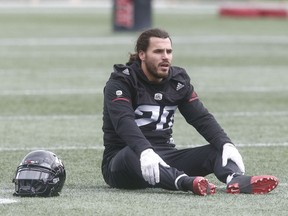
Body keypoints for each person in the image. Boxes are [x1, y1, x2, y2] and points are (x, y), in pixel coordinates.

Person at [101, 28, 278, 195]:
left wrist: (226, 143)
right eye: (158, 52)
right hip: (123, 162)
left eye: (169, 52)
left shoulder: (177, 80)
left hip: (164, 155)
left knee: (217, 149)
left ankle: (235, 179)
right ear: (142, 55)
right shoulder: (121, 81)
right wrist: (144, 151)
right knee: (132, 153)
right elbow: (124, 122)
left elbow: (201, 117)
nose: (165, 57)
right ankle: (185, 182)